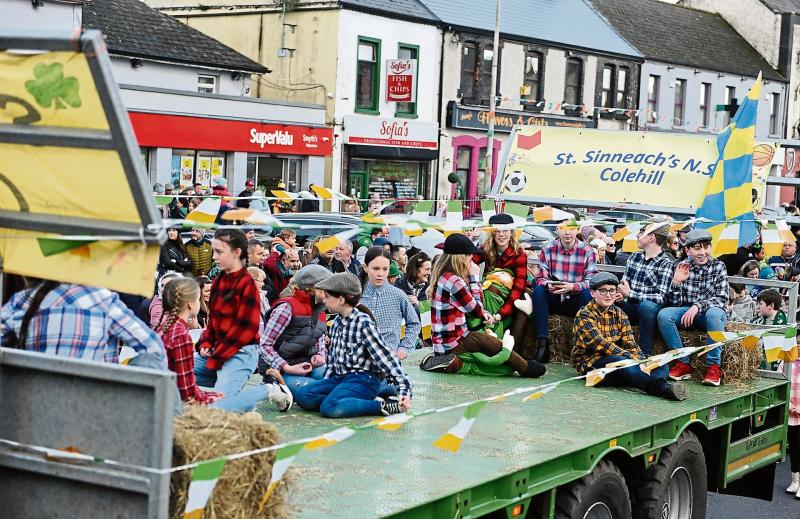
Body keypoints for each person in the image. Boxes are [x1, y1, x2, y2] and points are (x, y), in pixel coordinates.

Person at [419, 234, 546, 378]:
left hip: (447, 342)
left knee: (503, 368)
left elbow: (470, 307)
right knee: (489, 342)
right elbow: (476, 310)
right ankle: (525, 368)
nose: (471, 260)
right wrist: (475, 278)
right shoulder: (453, 281)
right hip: (454, 342)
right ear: (460, 257)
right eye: (469, 256)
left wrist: (483, 311)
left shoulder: (446, 277)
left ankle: (457, 363)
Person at [193, 228, 293, 412]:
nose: (214, 257)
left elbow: (245, 331)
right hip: (218, 351)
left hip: (240, 353)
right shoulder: (218, 282)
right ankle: (231, 389)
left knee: (220, 407)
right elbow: (214, 322)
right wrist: (206, 342)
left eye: (219, 252)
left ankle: (269, 389)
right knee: (175, 370)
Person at [293, 273, 412, 418]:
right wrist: (326, 384)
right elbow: (333, 361)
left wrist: (404, 389)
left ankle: (381, 406)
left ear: (341, 300)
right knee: (303, 396)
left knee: (329, 407)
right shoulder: (337, 322)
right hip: (341, 378)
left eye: (328, 297)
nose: (324, 300)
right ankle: (369, 395)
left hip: (364, 379)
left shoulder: (363, 323)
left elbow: (386, 358)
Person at [572, 273, 687, 401]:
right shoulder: (585, 315)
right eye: (603, 291)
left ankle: (631, 377)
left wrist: (643, 361)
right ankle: (661, 388)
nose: (608, 295)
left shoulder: (620, 314)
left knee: (661, 366)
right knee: (624, 363)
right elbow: (601, 344)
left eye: (612, 290)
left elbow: (630, 343)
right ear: (593, 293)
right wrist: (631, 358)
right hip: (592, 363)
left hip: (619, 360)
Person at [1, 278, 165, 364]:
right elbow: (154, 347)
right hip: (97, 406)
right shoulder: (103, 300)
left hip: (32, 405)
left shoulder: (22, 300)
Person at [657, 229, 728, 386]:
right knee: (664, 315)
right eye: (697, 248)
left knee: (714, 315)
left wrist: (698, 306)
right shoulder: (681, 266)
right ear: (687, 250)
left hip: (710, 313)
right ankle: (683, 363)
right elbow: (674, 303)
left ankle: (713, 366)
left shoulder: (719, 266)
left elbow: (722, 299)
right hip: (687, 313)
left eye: (706, 247)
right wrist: (676, 283)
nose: (703, 252)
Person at [531, 215, 597, 363]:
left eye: (571, 228)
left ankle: (583, 346)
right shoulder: (548, 249)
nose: (567, 233)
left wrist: (572, 286)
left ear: (578, 229)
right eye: (563, 228)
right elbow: (541, 277)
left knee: (587, 294)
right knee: (539, 290)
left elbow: (591, 281)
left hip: (575, 300)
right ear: (557, 229)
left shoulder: (587, 251)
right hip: (554, 297)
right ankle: (543, 344)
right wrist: (548, 284)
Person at [259, 265, 331, 393]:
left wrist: (320, 355)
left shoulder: (320, 309)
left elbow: (319, 340)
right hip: (280, 368)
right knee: (310, 392)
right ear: (315, 288)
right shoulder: (286, 308)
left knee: (334, 383)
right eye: (328, 287)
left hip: (308, 364)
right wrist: (286, 367)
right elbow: (265, 345)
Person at [158, 278, 224, 404]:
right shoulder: (181, 335)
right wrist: (216, 397)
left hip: (166, 393)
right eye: (198, 298)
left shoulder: (164, 328)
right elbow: (188, 393)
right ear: (190, 304)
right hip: (172, 401)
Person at [616, 221, 674, 356]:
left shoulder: (665, 263)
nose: (637, 235)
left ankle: (644, 354)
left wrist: (630, 294)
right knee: (609, 300)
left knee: (646, 306)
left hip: (650, 312)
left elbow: (661, 297)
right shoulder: (635, 256)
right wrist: (620, 294)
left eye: (641, 233)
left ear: (651, 237)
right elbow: (624, 283)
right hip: (632, 306)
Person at [480, 213, 531, 348]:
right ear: (492, 233)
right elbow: (471, 266)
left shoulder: (519, 254)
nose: (501, 234)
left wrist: (500, 315)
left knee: (524, 307)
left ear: (511, 232)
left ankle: (512, 348)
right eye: (497, 231)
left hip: (511, 296)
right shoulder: (484, 250)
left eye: (505, 230)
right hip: (487, 293)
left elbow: (518, 287)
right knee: (488, 291)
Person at [361, 247, 420, 361]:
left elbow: (414, 323)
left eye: (385, 269)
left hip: (389, 360)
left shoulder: (398, 295)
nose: (380, 274)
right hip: (360, 361)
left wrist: (404, 348)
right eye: (376, 268)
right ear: (365, 267)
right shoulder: (356, 295)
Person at [786, 347, 800, 497]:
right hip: (791, 413)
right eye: (797, 343)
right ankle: (795, 481)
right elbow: (782, 384)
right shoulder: (787, 362)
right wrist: (790, 407)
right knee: (794, 448)